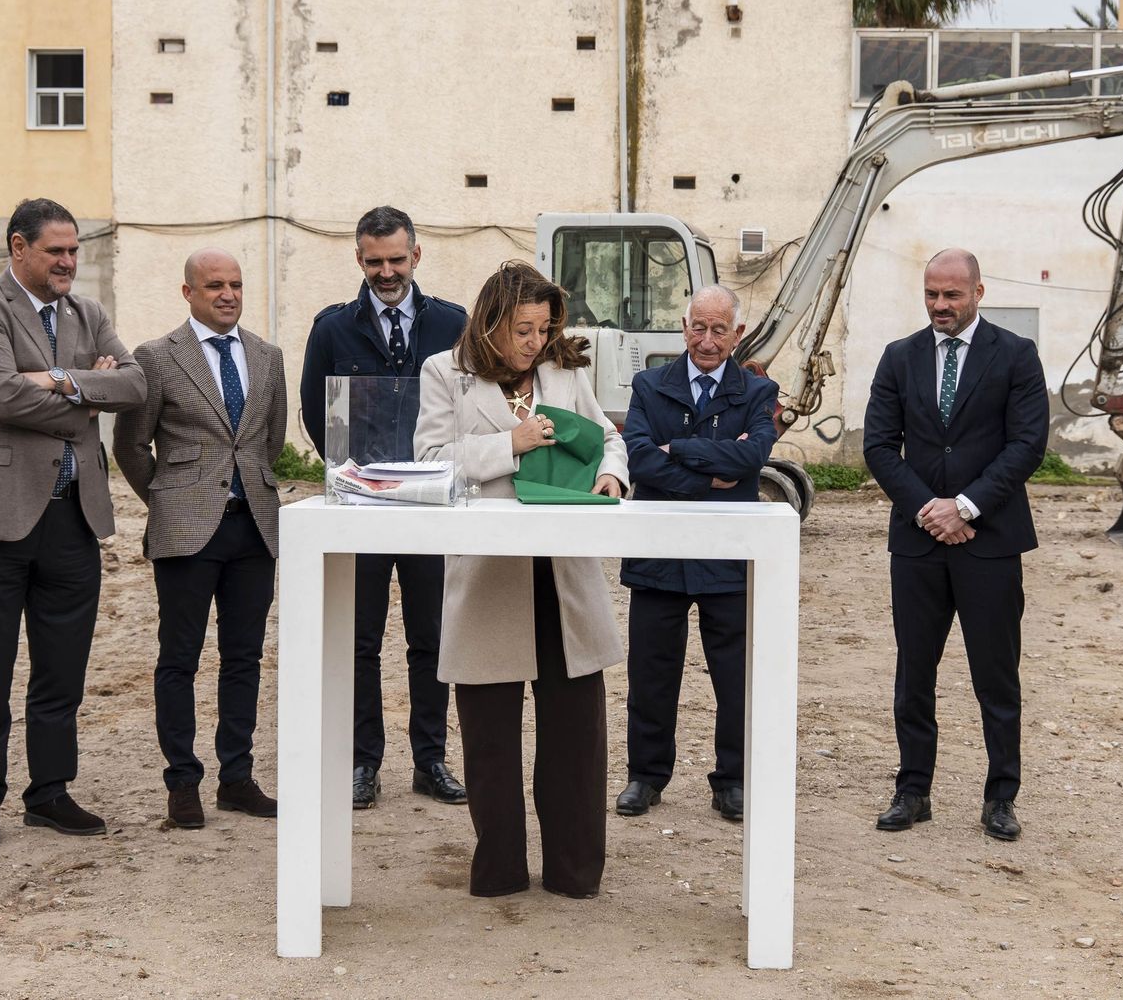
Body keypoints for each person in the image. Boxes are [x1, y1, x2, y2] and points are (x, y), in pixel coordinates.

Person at [0, 197, 147, 849]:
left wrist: (54, 380)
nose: (68, 262)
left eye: (74, 249)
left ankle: (49, 793)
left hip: (70, 520)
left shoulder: (89, 313)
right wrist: (86, 393)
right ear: (17, 247)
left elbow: (135, 386)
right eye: (55, 250)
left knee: (62, 670)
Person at [413, 260, 628, 898]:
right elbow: (428, 462)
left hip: (564, 576)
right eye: (521, 329)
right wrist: (514, 441)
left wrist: (613, 473)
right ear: (489, 324)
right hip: (486, 576)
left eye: (542, 328)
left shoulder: (565, 370)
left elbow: (609, 438)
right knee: (489, 743)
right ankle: (499, 871)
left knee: (576, 739)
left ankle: (574, 873)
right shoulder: (442, 374)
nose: (534, 342)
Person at [862, 247, 1047, 842]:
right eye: (932, 295)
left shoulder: (1016, 355)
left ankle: (1001, 798)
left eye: (952, 295)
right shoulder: (900, 357)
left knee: (996, 676)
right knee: (914, 673)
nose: (940, 306)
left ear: (978, 292)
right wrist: (927, 509)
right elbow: (880, 446)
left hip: (988, 541)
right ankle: (913, 791)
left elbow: (1026, 444)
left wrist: (964, 506)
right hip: (917, 544)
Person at [299, 205, 469, 810]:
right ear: (359, 260)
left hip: (429, 509)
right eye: (375, 261)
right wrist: (355, 477)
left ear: (416, 255)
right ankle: (362, 761)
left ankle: (431, 760)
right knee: (360, 639)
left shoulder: (453, 324)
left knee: (432, 638)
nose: (387, 271)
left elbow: (469, 406)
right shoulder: (333, 329)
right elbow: (316, 413)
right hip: (362, 509)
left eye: (397, 259)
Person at [113, 247, 289, 828]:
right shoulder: (157, 357)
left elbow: (268, 441)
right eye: (215, 285)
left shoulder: (267, 356)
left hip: (254, 528)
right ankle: (182, 785)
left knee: (244, 659)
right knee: (179, 660)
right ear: (188, 291)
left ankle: (236, 779)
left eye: (236, 284)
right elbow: (131, 445)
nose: (228, 294)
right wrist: (167, 499)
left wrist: (253, 491)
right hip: (186, 530)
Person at [615, 284, 778, 823]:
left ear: (737, 334)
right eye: (698, 328)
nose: (707, 341)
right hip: (659, 552)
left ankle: (731, 780)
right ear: (684, 329)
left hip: (727, 554)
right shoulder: (648, 385)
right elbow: (639, 461)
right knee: (651, 672)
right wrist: (713, 474)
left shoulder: (757, 393)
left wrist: (680, 451)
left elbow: (753, 455)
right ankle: (646, 775)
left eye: (719, 330)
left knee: (734, 677)